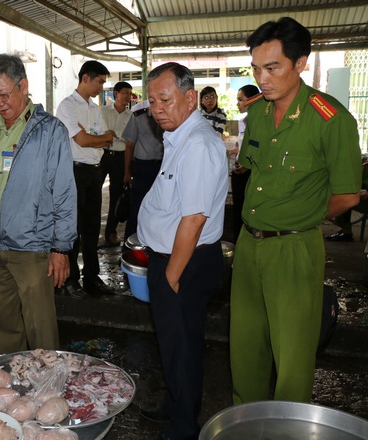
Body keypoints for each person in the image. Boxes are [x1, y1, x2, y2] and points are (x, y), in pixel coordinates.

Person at [230, 17, 361, 406]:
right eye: (255, 68)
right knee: (245, 348)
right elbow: (252, 171)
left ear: (301, 63)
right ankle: (246, 424)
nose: (262, 78)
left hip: (294, 248)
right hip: (249, 243)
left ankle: (287, 428)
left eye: (272, 68)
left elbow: (347, 196)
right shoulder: (256, 113)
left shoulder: (331, 119)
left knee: (292, 358)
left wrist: (302, 216)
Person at [137, 62, 228, 440]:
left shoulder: (198, 144)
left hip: (184, 261)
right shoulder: (178, 137)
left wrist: (171, 275)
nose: (157, 108)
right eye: (152, 100)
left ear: (190, 98)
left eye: (165, 99)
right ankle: (175, 404)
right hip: (174, 258)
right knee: (173, 344)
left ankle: (182, 428)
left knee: (183, 348)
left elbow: (193, 220)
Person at [0, 54, 77, 355]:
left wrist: (61, 248)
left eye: (4, 94)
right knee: (2, 329)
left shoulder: (50, 131)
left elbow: (64, 192)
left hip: (32, 249)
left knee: (41, 333)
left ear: (23, 85)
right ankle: (12, 392)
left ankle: (47, 393)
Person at [56, 60, 115, 298]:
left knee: (91, 228)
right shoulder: (67, 106)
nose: (101, 87)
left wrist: (95, 138)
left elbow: (108, 138)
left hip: (94, 171)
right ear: (85, 78)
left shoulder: (95, 108)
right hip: (75, 171)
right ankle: (70, 280)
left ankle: (92, 277)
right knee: (73, 228)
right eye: (99, 81)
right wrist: (95, 138)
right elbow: (82, 140)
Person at [122, 99, 164, 246]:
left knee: (161, 209)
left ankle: (154, 247)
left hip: (163, 168)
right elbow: (129, 145)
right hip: (142, 169)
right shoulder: (138, 116)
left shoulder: (170, 116)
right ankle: (129, 248)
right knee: (137, 209)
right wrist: (127, 172)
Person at [100, 81, 133, 246]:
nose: (128, 96)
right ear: (116, 94)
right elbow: (103, 132)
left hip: (120, 157)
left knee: (116, 196)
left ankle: (111, 232)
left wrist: (116, 134)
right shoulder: (103, 111)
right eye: (125, 92)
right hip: (102, 154)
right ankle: (87, 232)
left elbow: (129, 139)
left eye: (130, 93)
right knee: (94, 193)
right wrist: (119, 135)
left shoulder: (131, 116)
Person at [230, 84, 261, 241]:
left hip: (251, 173)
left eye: (241, 100)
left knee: (249, 212)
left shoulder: (261, 123)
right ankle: (238, 246)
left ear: (252, 100)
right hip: (239, 172)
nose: (238, 104)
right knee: (238, 212)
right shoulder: (243, 122)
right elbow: (243, 146)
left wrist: (246, 167)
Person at [326, 137, 368, 241]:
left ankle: (345, 231)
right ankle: (345, 231)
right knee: (345, 198)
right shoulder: (367, 164)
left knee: (346, 200)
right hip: (366, 200)